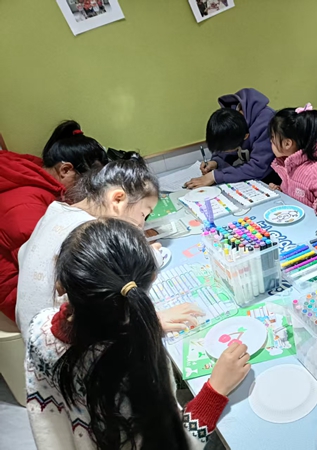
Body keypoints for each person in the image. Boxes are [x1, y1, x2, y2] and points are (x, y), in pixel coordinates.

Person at [26, 218, 250, 449]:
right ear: (151, 279)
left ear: (62, 283)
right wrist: (215, 391)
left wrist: (142, 325)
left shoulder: (39, 327)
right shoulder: (131, 366)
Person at [16, 157, 202, 339]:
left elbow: (23, 253)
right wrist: (152, 321)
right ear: (118, 199)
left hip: (35, 333)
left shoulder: (57, 209)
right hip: (66, 340)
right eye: (143, 214)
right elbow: (108, 303)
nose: (141, 225)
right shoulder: (86, 234)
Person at [0, 120, 107, 323]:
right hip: (20, 294)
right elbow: (51, 268)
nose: (87, 191)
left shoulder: (36, 171)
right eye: (85, 183)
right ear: (65, 169)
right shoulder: (24, 209)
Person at [185, 88, 278, 188]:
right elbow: (227, 148)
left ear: (245, 136)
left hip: (270, 181)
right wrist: (216, 162)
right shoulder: (230, 114)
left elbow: (258, 168)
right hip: (247, 176)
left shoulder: (267, 123)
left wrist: (215, 176)